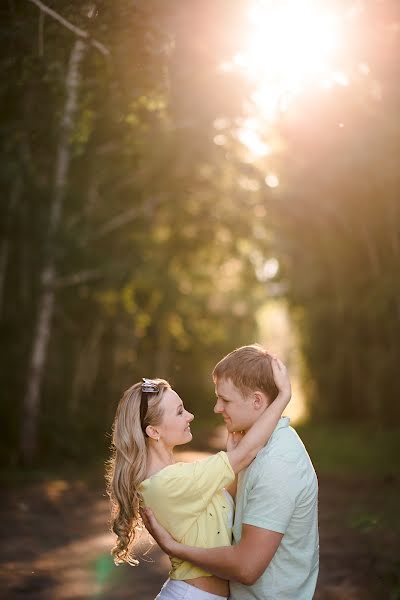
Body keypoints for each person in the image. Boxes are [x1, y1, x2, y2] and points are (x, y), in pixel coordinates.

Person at [106, 352, 291, 600]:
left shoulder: (172, 479)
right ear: (154, 431)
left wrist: (234, 457)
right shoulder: (169, 483)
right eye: (180, 412)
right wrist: (283, 397)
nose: (190, 416)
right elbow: (248, 453)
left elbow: (228, 493)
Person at [141, 344, 319, 600]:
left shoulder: (277, 462)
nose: (216, 408)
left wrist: (175, 548)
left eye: (225, 400)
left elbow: (246, 568)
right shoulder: (255, 451)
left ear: (257, 401)